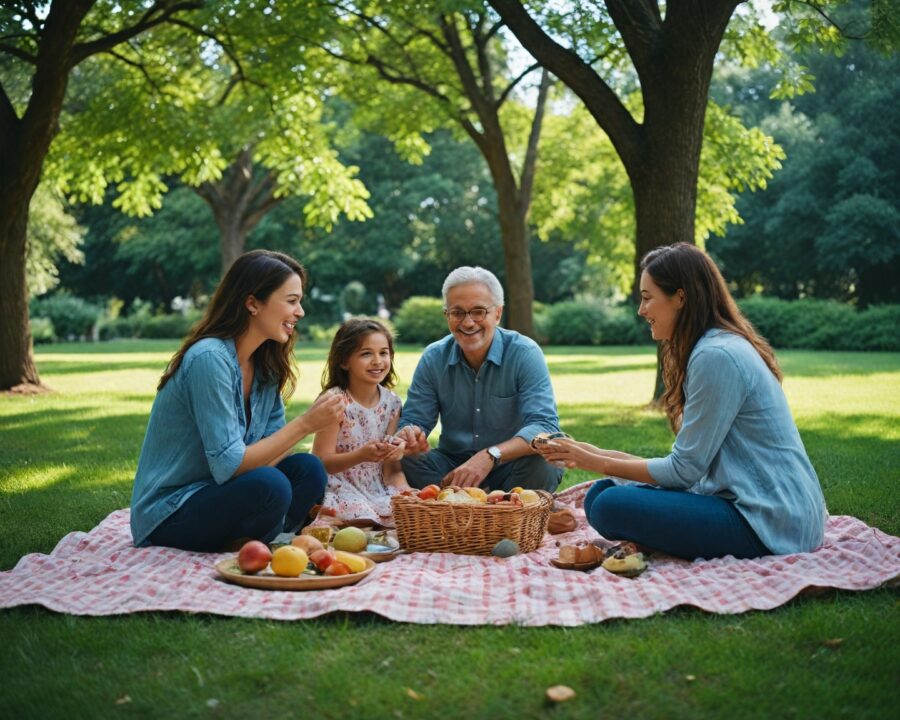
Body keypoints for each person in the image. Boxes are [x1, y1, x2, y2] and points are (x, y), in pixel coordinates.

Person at [536, 243, 827, 560]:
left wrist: (594, 461)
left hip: (771, 521)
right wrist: (586, 451)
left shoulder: (716, 356)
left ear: (681, 297)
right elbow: (690, 467)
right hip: (749, 505)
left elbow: (683, 471)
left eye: (648, 298)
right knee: (599, 495)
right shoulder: (711, 347)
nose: (641, 310)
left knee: (609, 505)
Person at [130, 250, 345, 551]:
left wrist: (312, 501)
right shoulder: (210, 358)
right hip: (172, 512)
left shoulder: (265, 366)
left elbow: (273, 452)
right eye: (292, 300)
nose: (300, 312)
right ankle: (264, 537)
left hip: (222, 494)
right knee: (271, 486)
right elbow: (229, 466)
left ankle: (266, 539)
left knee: (308, 469)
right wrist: (306, 424)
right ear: (252, 303)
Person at [396, 266, 564, 492]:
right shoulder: (433, 357)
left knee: (546, 461)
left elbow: (544, 426)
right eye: (458, 313)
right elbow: (415, 418)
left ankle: (462, 504)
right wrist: (411, 435)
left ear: (497, 313)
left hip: (510, 465)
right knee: (403, 459)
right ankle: (500, 506)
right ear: (447, 315)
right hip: (453, 466)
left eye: (478, 311)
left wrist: (490, 455)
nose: (467, 323)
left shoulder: (525, 353)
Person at [311, 318, 411, 527]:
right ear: (344, 361)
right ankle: (331, 518)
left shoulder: (392, 403)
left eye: (383, 353)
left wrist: (406, 492)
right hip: (341, 486)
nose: (377, 361)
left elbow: (391, 468)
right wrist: (360, 456)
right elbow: (321, 463)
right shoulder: (335, 402)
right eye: (366, 354)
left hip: (378, 487)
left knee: (406, 515)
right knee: (364, 519)